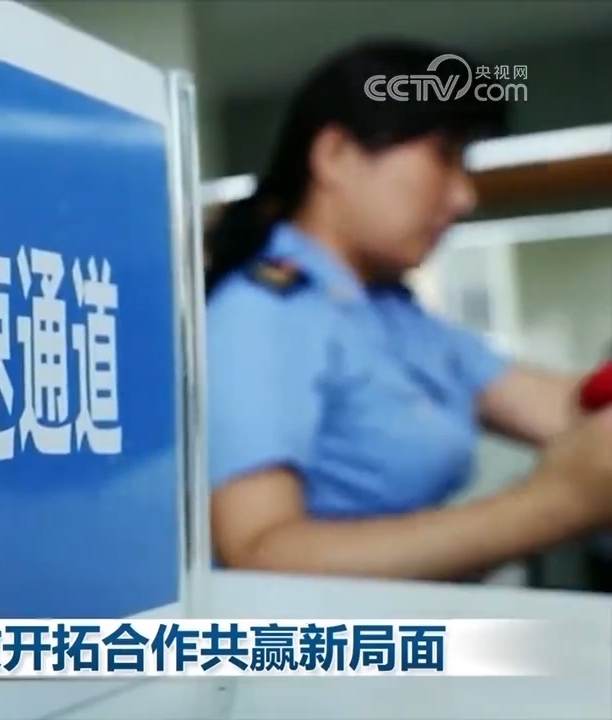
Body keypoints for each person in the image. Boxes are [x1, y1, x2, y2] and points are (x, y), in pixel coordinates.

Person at [205, 38, 612, 582]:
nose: (464, 196)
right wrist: (550, 505)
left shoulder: (394, 313)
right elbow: (259, 551)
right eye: (444, 156)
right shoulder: (263, 312)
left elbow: (569, 406)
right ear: (335, 155)